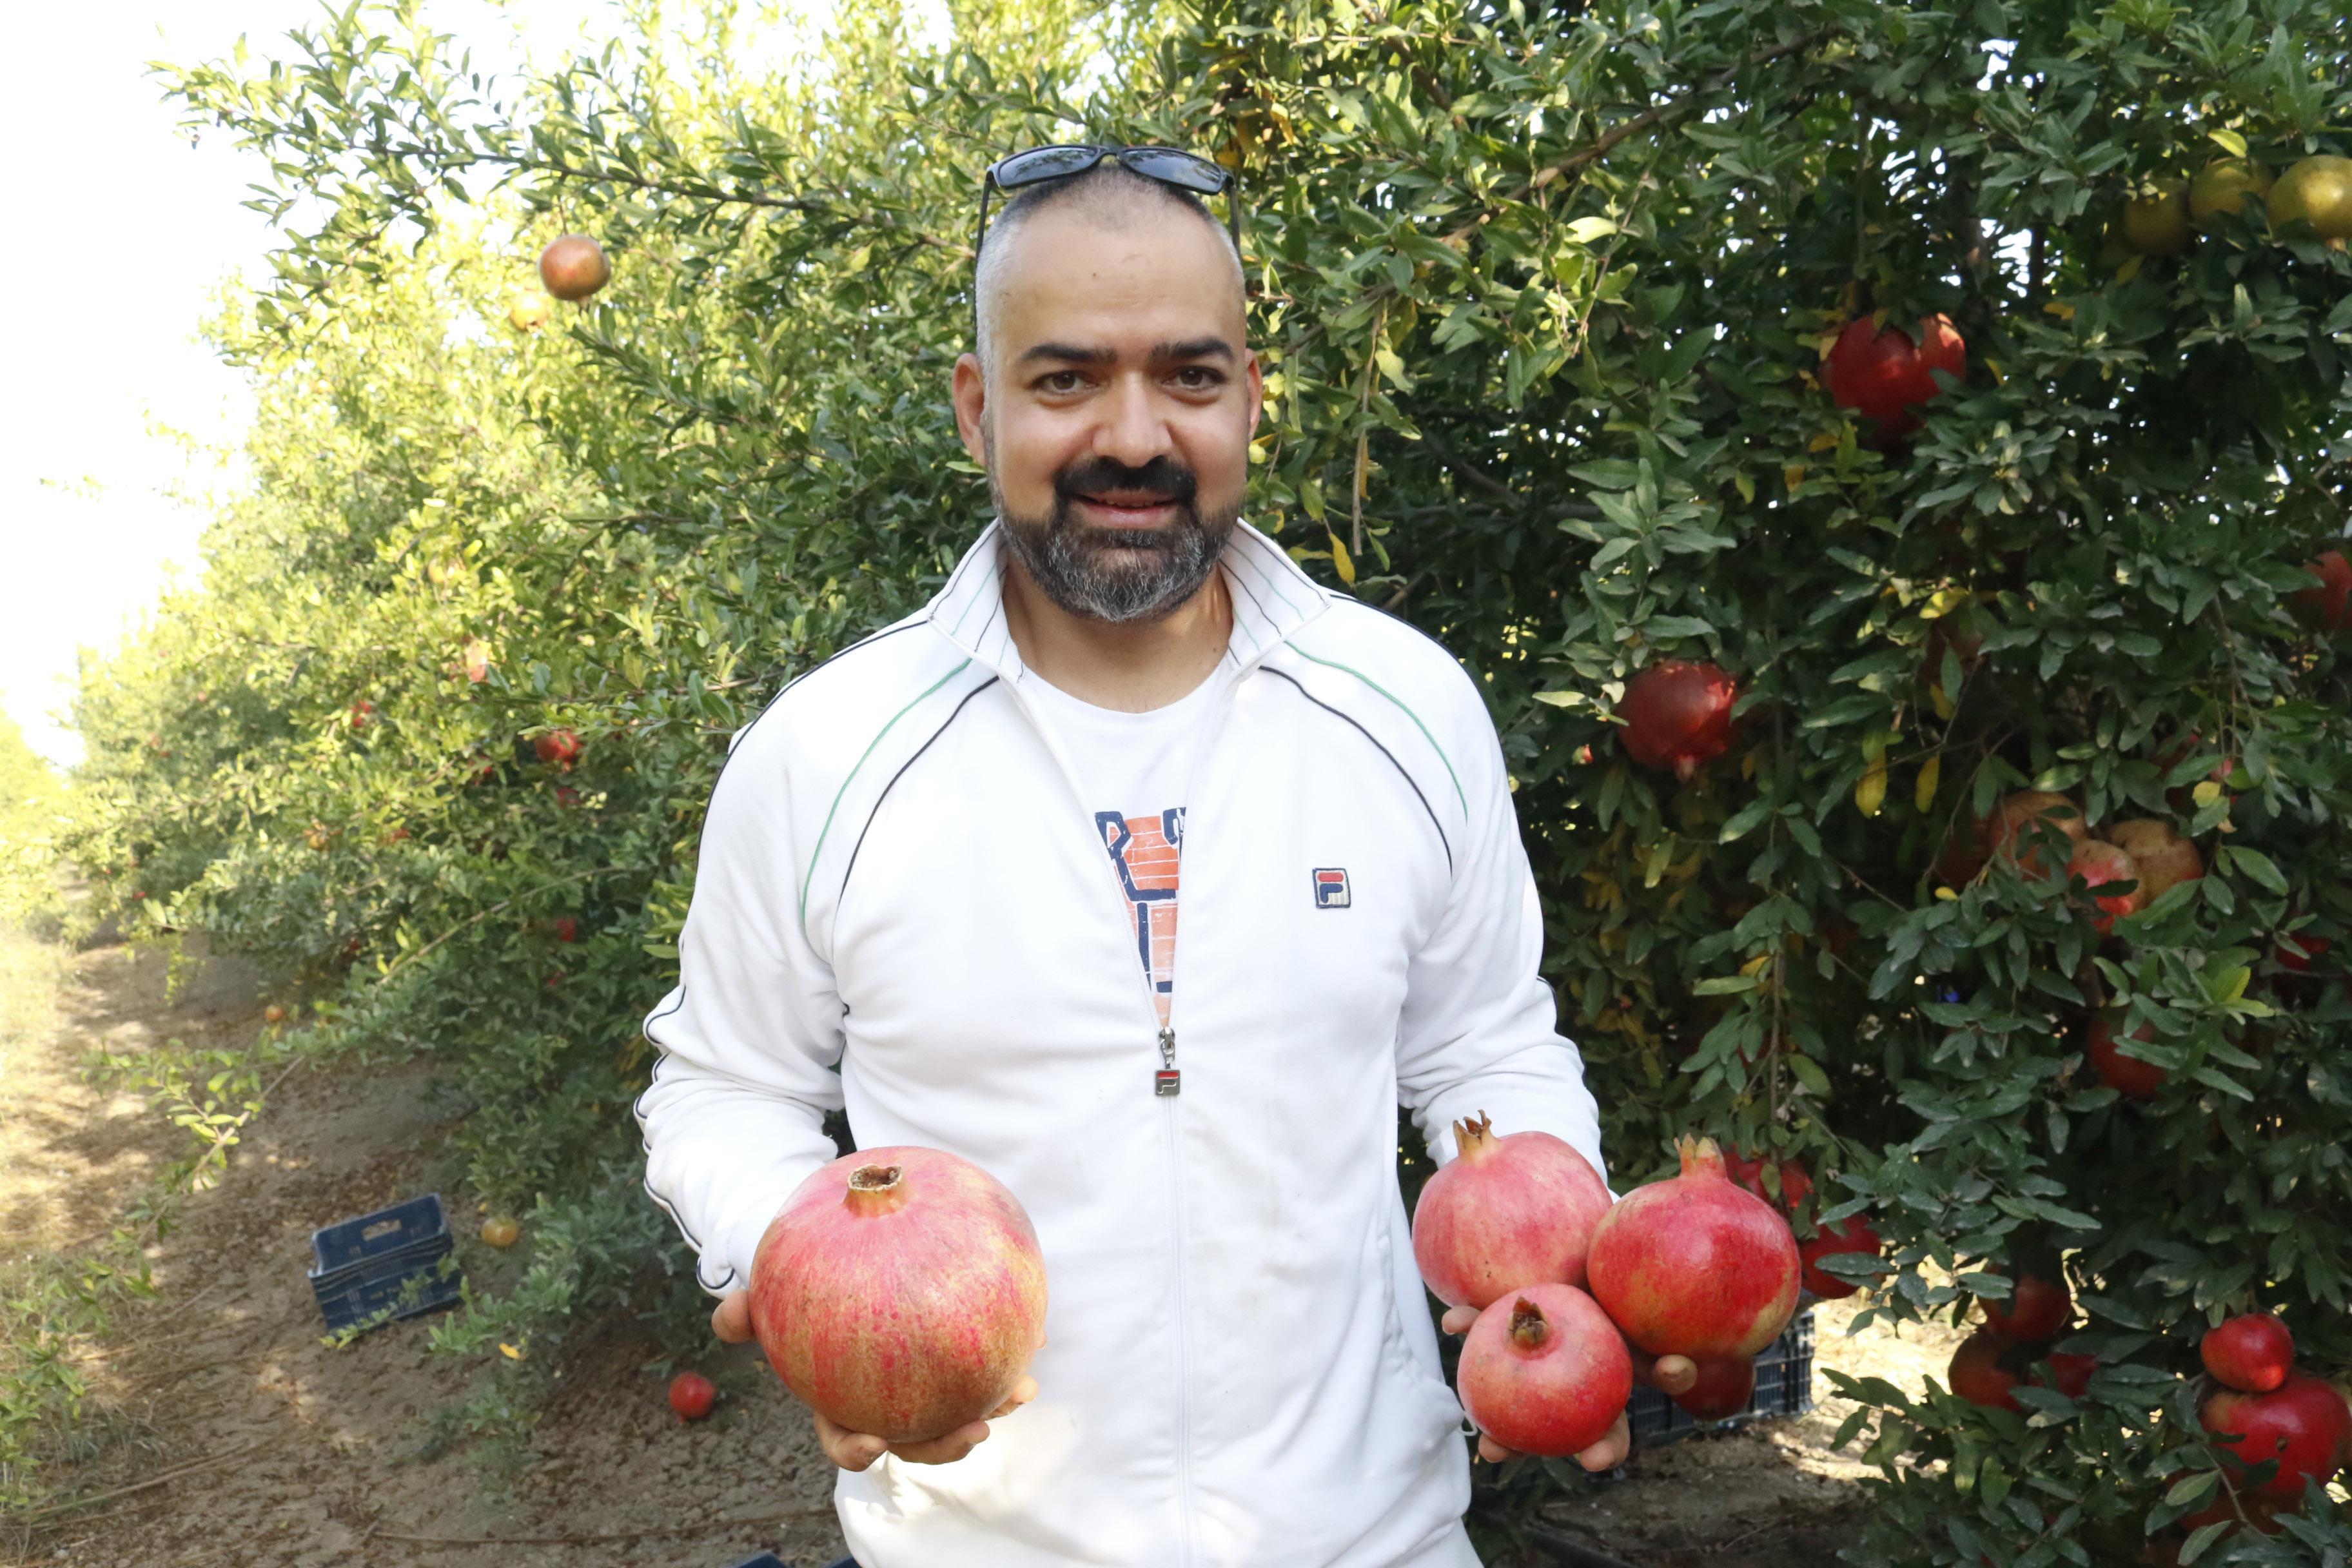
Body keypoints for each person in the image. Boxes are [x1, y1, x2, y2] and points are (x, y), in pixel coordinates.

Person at [637, 143, 1690, 1568]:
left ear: (1252, 400)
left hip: (1373, 1540)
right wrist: (801, 1271)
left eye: (1190, 377)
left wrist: (1560, 1274)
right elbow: (725, 1086)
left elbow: (1487, 1048)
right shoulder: (825, 757)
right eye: (1065, 378)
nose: (1134, 436)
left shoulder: (1406, 708)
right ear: (976, 408)